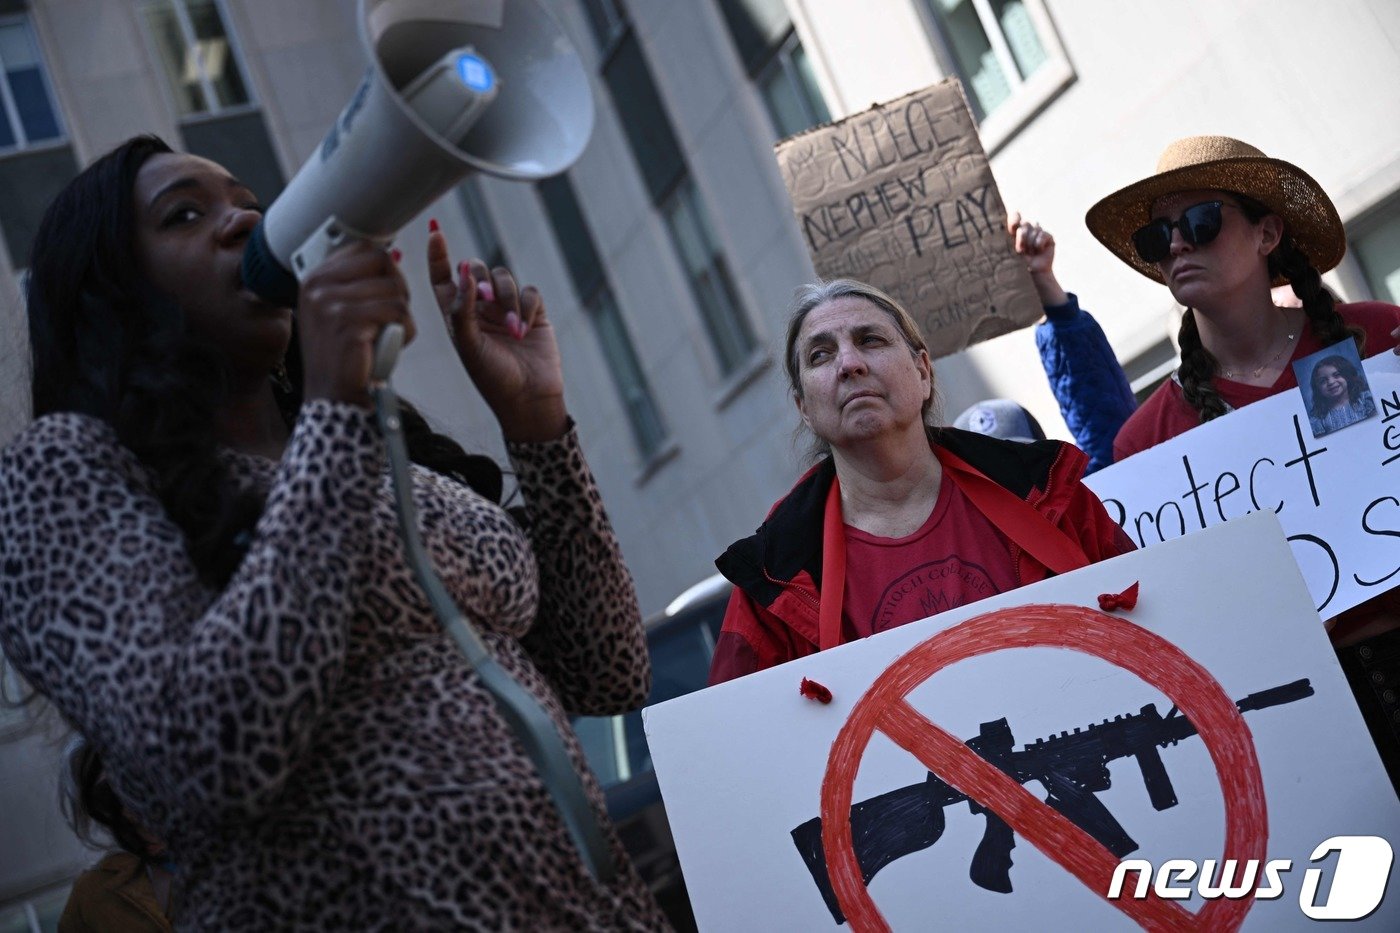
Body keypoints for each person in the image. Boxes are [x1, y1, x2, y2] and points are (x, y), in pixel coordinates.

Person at [0, 136, 668, 930]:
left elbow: (607, 671)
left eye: (249, 202)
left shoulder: (380, 454)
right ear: (110, 296)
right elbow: (213, 753)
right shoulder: (66, 475)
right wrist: (337, 412)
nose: (245, 222)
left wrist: (536, 420)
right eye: (185, 214)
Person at [707, 279, 1134, 684]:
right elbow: (736, 740)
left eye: (870, 340)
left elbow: (1154, 621)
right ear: (804, 408)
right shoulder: (770, 582)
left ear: (923, 372)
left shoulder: (1051, 496)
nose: (849, 364)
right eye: (820, 355)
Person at [1079, 135, 1400, 462]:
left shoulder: (1382, 332)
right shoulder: (1144, 442)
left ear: (1267, 234)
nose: (1176, 245)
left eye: (1201, 221)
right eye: (1156, 236)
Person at [1008, 212, 1137, 474]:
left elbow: (1104, 428)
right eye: (991, 467)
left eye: (1017, 457)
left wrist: (1042, 280)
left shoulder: (1080, 499)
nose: (1009, 477)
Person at [58, 736, 176, 932]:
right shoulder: (93, 897)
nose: (129, 812)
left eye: (133, 785)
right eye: (108, 797)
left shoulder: (236, 852)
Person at [1307, 354, 1375, 436]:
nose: (1331, 382)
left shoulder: (1365, 400)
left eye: (1336, 375)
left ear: (1347, 376)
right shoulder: (1319, 418)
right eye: (1323, 381)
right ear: (1317, 389)